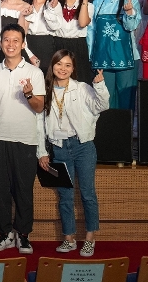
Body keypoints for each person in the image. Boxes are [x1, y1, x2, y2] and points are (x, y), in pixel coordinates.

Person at [37, 51, 109, 258]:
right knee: (65, 196)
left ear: (73, 68)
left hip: (82, 146)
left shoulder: (82, 88)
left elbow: (102, 106)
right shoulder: (45, 90)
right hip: (59, 148)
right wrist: (42, 152)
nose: (63, 69)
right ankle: (68, 239)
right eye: (59, 64)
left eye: (68, 65)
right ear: (53, 66)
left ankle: (89, 239)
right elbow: (39, 124)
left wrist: (100, 86)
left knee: (88, 194)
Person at [0, 24, 45, 255]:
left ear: (23, 44)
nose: (10, 44)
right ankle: (5, 233)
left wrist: (29, 94)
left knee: (23, 190)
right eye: (6, 40)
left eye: (15, 40)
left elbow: (39, 107)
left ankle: (23, 234)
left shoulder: (35, 73)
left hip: (25, 140)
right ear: (1, 43)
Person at [84, 0, 142, 110]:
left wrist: (129, 12)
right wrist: (91, 55)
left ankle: (126, 126)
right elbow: (91, 32)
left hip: (128, 57)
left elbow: (131, 26)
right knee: (105, 99)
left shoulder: (132, 2)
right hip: (102, 57)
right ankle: (108, 125)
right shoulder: (98, 3)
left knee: (126, 99)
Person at [44, 0, 94, 87]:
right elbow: (51, 25)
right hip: (58, 45)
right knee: (57, 83)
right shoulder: (54, 3)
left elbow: (82, 23)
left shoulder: (89, 5)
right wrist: (52, 8)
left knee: (79, 83)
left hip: (78, 46)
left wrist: (85, 0)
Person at [24, 0, 57, 71]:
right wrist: (28, 53)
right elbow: (21, 31)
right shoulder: (25, 4)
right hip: (28, 45)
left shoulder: (54, 4)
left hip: (48, 46)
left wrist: (50, 9)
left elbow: (55, 27)